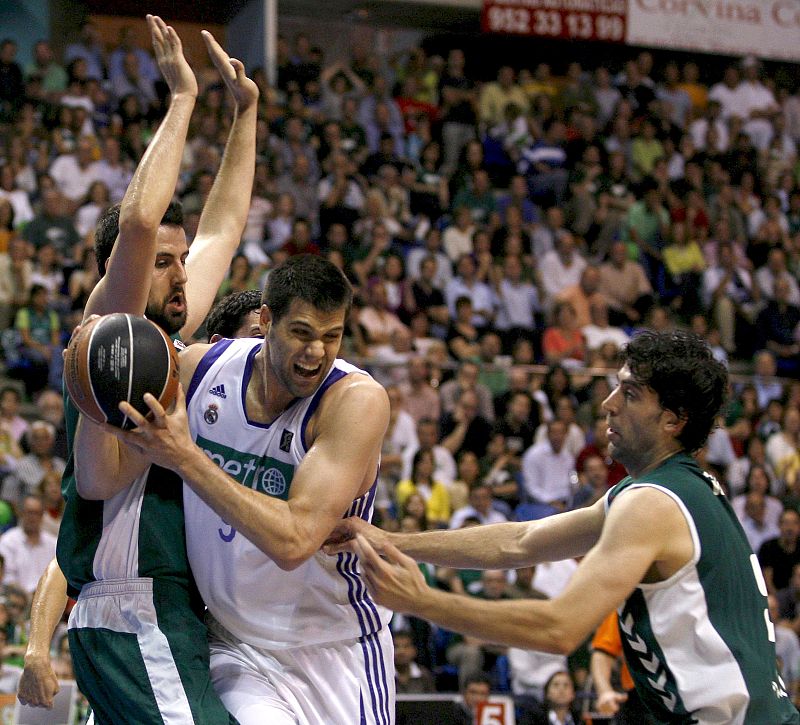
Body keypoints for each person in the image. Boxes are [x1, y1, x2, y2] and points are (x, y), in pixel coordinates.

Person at [330, 330, 800, 723]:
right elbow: (521, 539)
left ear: (674, 420)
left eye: (630, 394)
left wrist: (423, 601)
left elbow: (559, 629)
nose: (608, 404)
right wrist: (393, 541)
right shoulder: (666, 491)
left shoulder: (653, 503)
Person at [17, 17, 256, 723]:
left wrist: (246, 115)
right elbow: (139, 223)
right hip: (134, 606)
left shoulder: (165, 336)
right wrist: (183, 97)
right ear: (121, 274)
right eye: (163, 263)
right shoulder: (108, 332)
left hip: (158, 609)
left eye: (181, 261)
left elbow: (224, 226)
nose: (182, 273)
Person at [79, 255, 393, 724]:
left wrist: (187, 457)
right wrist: (89, 398)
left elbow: (294, 542)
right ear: (266, 320)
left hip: (334, 647)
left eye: (332, 337)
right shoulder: (200, 370)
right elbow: (97, 481)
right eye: (302, 333)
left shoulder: (355, 402)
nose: (316, 354)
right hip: (234, 647)